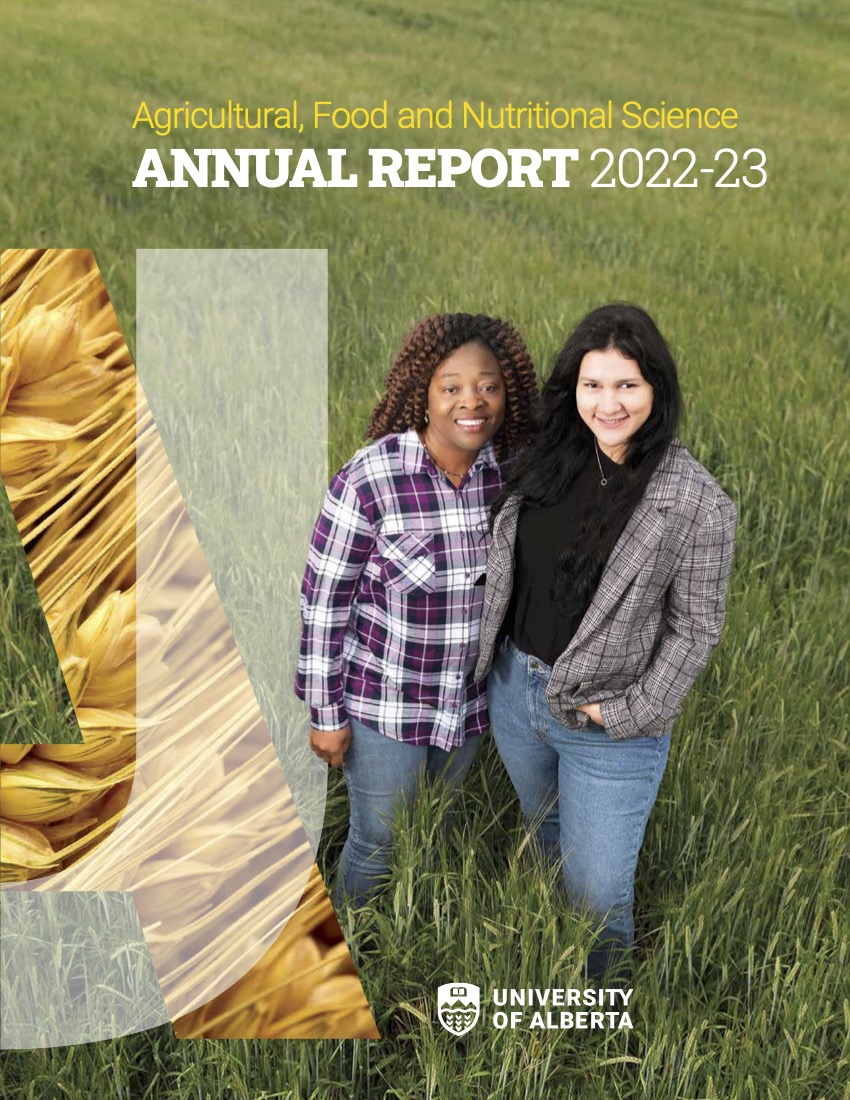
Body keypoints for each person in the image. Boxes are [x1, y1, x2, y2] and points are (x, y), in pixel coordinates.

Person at [475, 303, 737, 978]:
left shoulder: (697, 502)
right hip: (516, 694)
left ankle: (600, 1023)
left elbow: (697, 627)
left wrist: (628, 713)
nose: (609, 403)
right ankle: (547, 967)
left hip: (606, 726)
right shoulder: (546, 460)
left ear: (657, 390)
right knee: (546, 842)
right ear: (574, 388)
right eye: (594, 384)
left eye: (628, 385)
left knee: (597, 895)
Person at [296, 312, 537, 905]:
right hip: (385, 703)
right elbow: (324, 602)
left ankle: (414, 937)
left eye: (488, 386)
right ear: (421, 394)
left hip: (465, 706)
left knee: (436, 832)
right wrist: (325, 714)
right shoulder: (371, 478)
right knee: (378, 838)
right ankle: (352, 948)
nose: (471, 401)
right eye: (451, 387)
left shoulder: (508, 478)